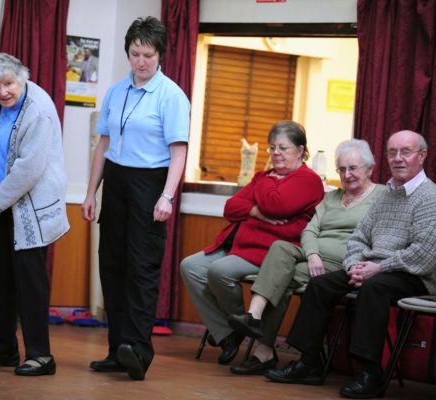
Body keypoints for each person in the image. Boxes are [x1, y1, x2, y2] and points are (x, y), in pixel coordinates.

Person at [265, 130, 436, 399]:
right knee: (320, 284)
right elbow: (359, 237)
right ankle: (309, 362)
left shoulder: (430, 196)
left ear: (422, 156)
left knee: (375, 288)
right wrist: (357, 264)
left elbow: (423, 254)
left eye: (406, 152)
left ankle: (370, 372)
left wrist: (378, 268)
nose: (398, 159)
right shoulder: (387, 195)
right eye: (392, 152)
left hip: (411, 273)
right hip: (371, 269)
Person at [81, 17, 190, 381]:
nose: (140, 61)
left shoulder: (171, 96)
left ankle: (138, 352)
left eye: (147, 54)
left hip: (150, 183)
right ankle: (117, 350)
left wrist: (167, 197)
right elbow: (104, 145)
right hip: (115, 179)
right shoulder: (115, 92)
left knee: (141, 270)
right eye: (134, 53)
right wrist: (90, 192)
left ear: (160, 55)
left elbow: (178, 152)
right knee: (112, 267)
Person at [227, 139, 385, 375]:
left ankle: (263, 351)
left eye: (353, 168)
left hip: (342, 261)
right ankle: (254, 315)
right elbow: (310, 230)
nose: (347, 174)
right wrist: (312, 254)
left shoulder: (383, 197)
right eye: (341, 169)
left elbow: (381, 237)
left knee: (280, 280)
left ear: (370, 169)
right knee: (280, 247)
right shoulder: (332, 197)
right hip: (314, 257)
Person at [180, 120, 324, 365]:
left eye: (283, 148)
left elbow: (276, 205)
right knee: (190, 266)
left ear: (300, 151)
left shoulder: (306, 180)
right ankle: (229, 331)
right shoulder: (265, 176)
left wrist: (266, 183)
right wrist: (256, 211)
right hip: (240, 246)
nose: (275, 153)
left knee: (219, 271)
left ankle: (243, 323)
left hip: (271, 252)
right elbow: (230, 207)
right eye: (272, 148)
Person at [0, 53, 69, 376]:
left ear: (22, 78)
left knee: (30, 283)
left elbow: (28, 169)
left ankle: (41, 356)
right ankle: (4, 350)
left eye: (8, 83)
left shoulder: (38, 110)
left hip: (30, 208)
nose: (2, 92)